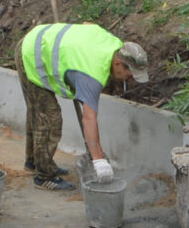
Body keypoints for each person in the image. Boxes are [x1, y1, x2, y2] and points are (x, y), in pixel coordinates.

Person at [19, 22, 150, 190]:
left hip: (41, 39)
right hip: (32, 54)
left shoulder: (114, 44)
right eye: (130, 75)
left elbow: (88, 25)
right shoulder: (92, 75)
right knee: (49, 117)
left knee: (38, 112)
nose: (130, 80)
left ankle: (33, 162)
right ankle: (43, 176)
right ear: (118, 63)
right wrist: (99, 160)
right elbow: (88, 118)